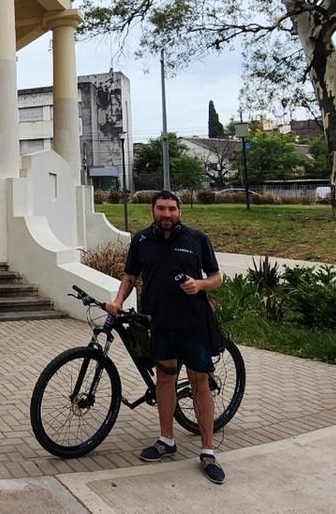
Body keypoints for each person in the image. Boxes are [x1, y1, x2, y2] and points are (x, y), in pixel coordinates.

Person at [106, 190, 226, 484]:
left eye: (172, 209)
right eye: (161, 209)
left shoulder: (196, 239)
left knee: (200, 383)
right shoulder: (142, 240)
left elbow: (217, 277)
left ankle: (208, 450)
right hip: (158, 324)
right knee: (164, 379)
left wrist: (199, 285)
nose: (167, 214)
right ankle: (166, 440)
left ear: (179, 211)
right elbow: (130, 275)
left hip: (193, 323)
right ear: (152, 211)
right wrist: (118, 301)